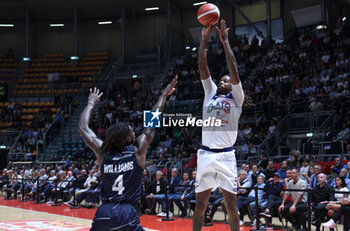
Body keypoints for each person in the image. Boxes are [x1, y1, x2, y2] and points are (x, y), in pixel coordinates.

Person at [78, 78, 177, 231]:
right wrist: (164, 95)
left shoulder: (103, 152)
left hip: (103, 212)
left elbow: (83, 127)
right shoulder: (138, 151)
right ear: (129, 138)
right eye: (131, 130)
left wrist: (91, 103)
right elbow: (151, 121)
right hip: (126, 211)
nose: (134, 130)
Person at [193, 19, 244, 231]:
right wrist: (204, 39)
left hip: (225, 156)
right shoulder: (210, 93)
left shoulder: (236, 98)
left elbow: (234, 71)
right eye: (220, 80)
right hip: (206, 155)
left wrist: (225, 43)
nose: (223, 82)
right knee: (200, 206)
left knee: (231, 205)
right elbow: (202, 66)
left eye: (225, 81)